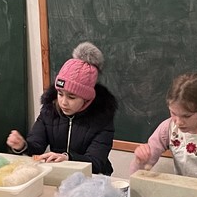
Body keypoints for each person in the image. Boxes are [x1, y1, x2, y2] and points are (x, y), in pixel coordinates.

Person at [8, 42, 118, 174]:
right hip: (59, 174)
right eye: (60, 94)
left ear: (86, 99)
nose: (63, 102)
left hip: (94, 179)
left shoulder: (102, 119)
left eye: (71, 97)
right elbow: (36, 147)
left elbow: (96, 162)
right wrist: (22, 146)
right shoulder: (49, 111)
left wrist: (68, 158)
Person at [130, 72, 197, 178]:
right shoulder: (167, 129)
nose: (178, 122)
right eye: (173, 113)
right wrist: (140, 161)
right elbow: (138, 174)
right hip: (182, 187)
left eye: (186, 116)